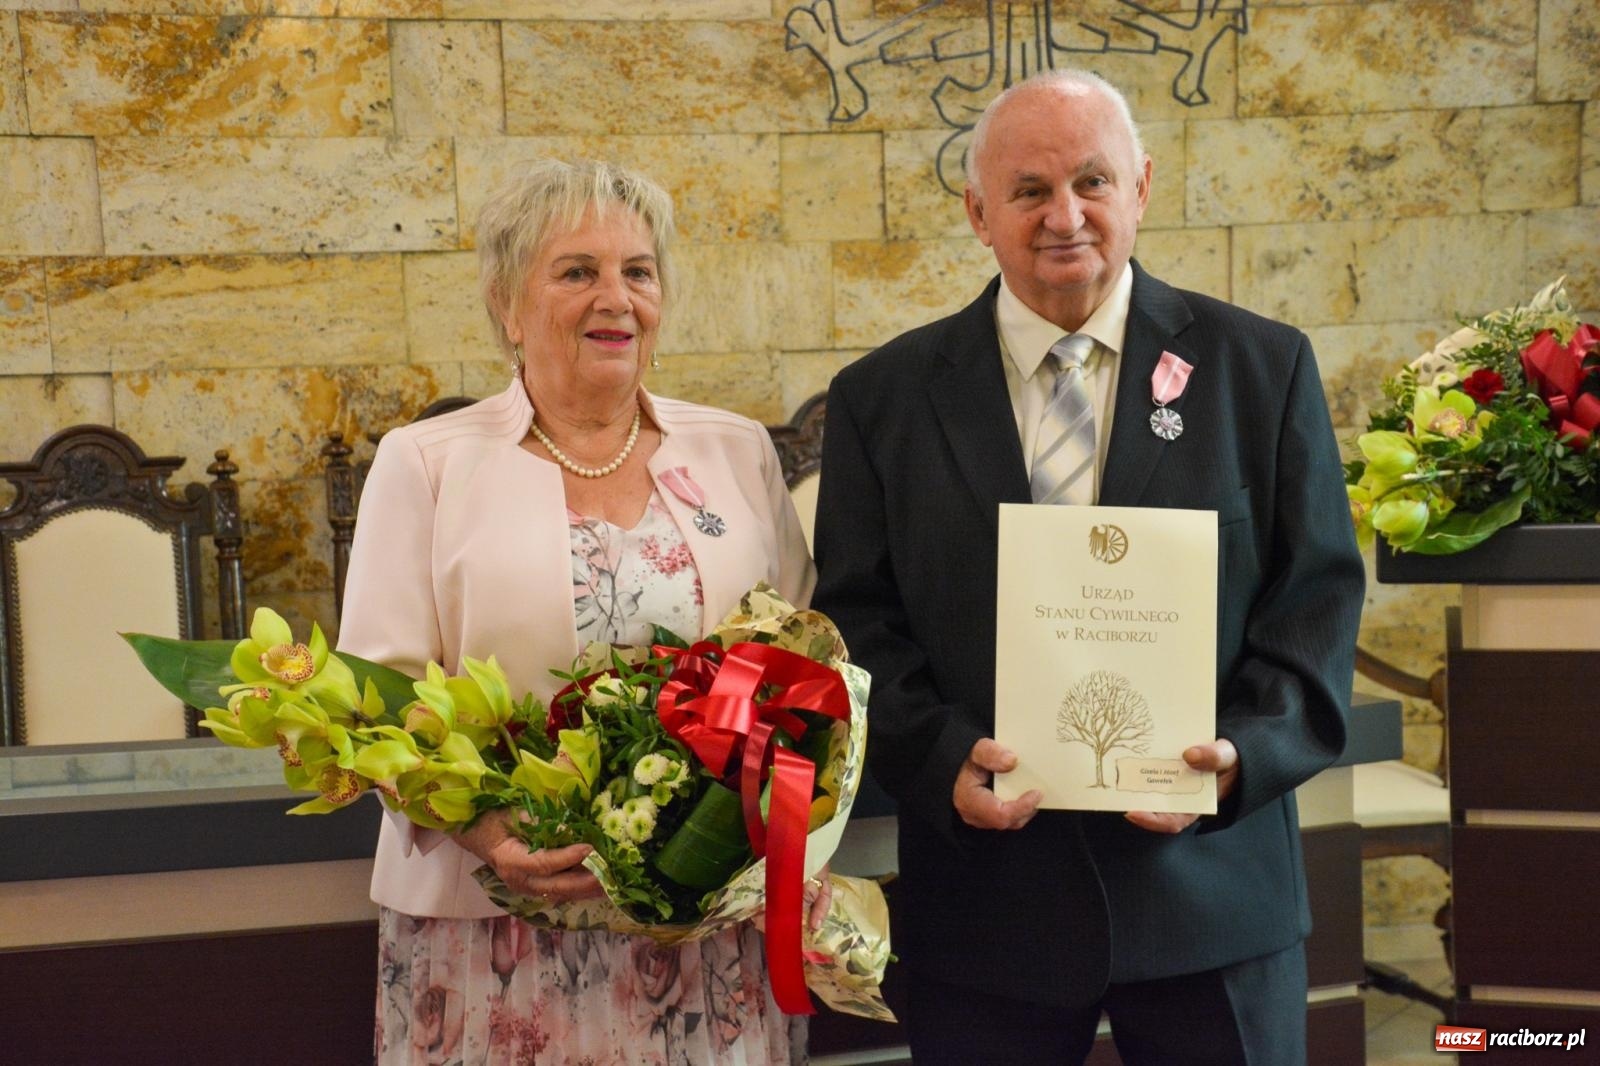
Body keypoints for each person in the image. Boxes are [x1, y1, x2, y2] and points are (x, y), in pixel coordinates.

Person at [811, 70, 1364, 1065]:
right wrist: (941, 759)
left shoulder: (1262, 370)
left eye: (1091, 182)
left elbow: (1314, 600)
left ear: (1140, 187)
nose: (1063, 217)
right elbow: (856, 624)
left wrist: (1239, 757)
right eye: (1028, 190)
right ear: (977, 212)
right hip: (986, 911)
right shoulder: (879, 399)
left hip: (1213, 904)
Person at [338, 158, 824, 1065]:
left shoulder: (736, 450)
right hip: (499, 922)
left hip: (703, 920)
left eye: (638, 271)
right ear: (508, 306)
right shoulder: (427, 463)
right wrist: (491, 833)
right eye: (577, 272)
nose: (616, 298)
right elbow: (376, 697)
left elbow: (804, 666)